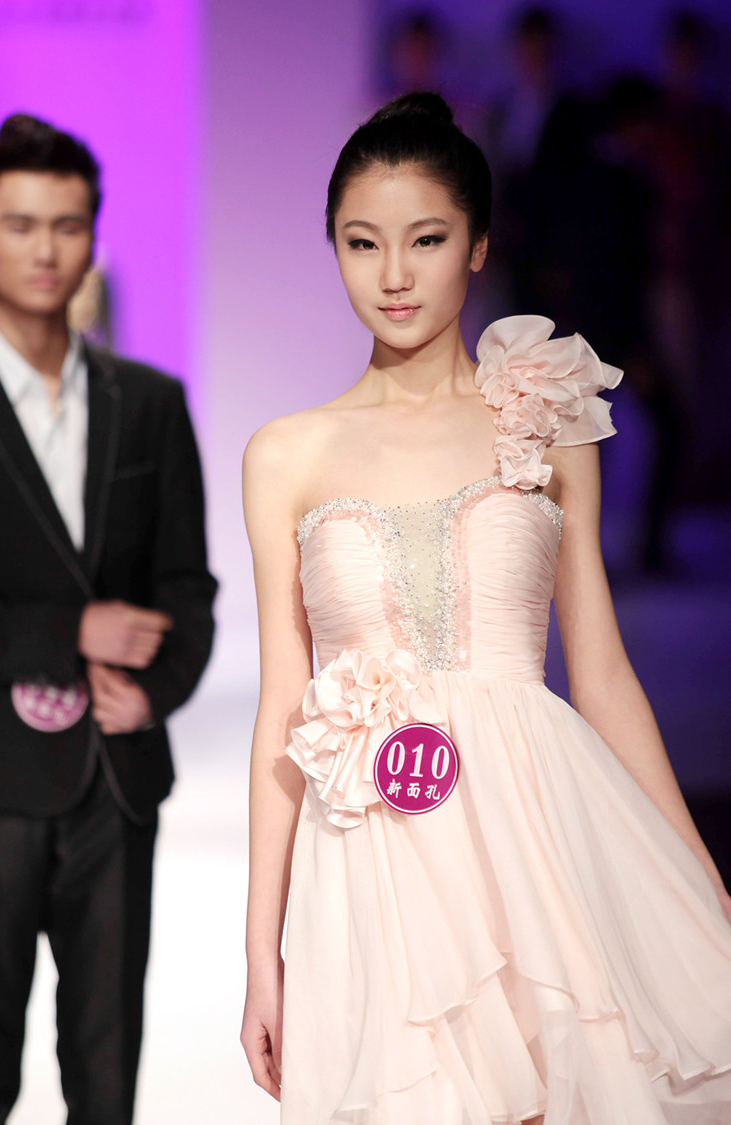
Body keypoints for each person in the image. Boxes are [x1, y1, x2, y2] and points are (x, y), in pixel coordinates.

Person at [240, 93, 731, 1123]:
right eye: (362, 243)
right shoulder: (285, 454)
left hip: (537, 834)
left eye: (426, 239)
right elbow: (282, 705)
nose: (393, 274)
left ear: (477, 247)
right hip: (371, 855)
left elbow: (601, 671)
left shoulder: (546, 420)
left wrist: (703, 881)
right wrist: (262, 955)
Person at [0, 114, 216, 1125]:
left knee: (107, 1082)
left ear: (92, 238)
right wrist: (68, 634)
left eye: (67, 225)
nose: (45, 250)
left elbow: (188, 586)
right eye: (21, 223)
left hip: (114, 785)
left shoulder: (149, 403)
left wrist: (155, 691)